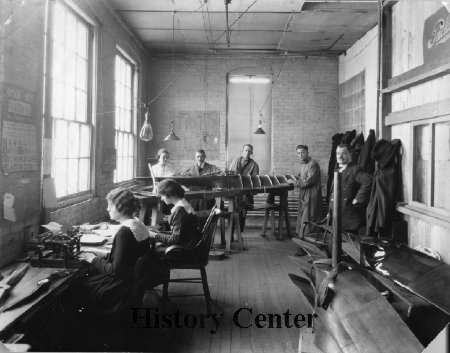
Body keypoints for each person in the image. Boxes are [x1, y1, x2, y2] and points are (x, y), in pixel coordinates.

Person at [69, 188, 151, 314]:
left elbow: (116, 270)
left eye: (110, 206)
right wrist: (99, 253)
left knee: (72, 287)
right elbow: (126, 256)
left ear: (119, 207)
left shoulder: (124, 232)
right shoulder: (137, 223)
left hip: (119, 287)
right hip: (133, 283)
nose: (107, 209)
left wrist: (92, 259)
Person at [333, 144, 373, 233]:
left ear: (350, 154)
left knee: (349, 245)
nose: (340, 156)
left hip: (350, 219)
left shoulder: (355, 169)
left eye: (343, 153)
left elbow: (369, 180)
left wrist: (358, 199)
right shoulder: (337, 170)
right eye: (338, 153)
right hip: (337, 215)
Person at [150, 178, 200, 248]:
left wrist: (154, 235)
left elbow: (175, 240)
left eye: (163, 195)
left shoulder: (180, 211)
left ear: (170, 194)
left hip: (183, 250)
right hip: (188, 242)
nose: (162, 198)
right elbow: (179, 234)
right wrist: (158, 233)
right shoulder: (184, 204)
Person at [288, 145, 322, 236]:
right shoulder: (303, 164)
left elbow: (308, 182)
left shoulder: (313, 164)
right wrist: (294, 177)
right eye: (298, 153)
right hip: (304, 194)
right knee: (303, 216)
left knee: (309, 217)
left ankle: (309, 239)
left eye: (303, 152)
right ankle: (303, 237)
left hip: (311, 194)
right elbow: (302, 177)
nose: (300, 155)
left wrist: (295, 182)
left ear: (307, 153)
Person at [229, 144, 259, 232]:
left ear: (251, 152)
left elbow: (255, 179)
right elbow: (230, 176)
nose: (247, 153)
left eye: (249, 151)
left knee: (243, 212)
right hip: (235, 191)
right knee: (233, 211)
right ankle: (231, 232)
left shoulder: (254, 164)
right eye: (246, 150)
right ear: (242, 151)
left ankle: (239, 232)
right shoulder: (235, 161)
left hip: (246, 192)